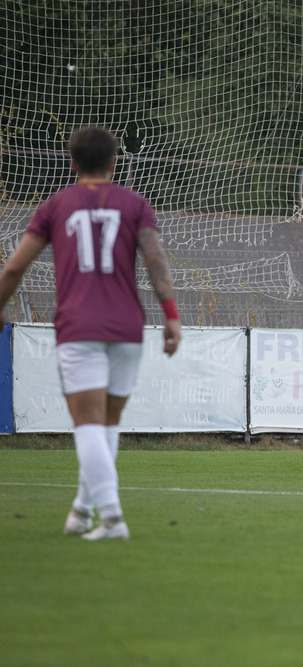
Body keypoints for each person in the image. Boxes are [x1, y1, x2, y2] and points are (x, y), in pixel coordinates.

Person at [0, 126, 181, 540]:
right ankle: (82, 511)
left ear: (73, 163)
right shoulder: (134, 203)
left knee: (87, 428)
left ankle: (113, 519)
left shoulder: (55, 205)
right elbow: (156, 261)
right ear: (114, 163)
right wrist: (171, 316)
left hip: (79, 327)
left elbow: (13, 267)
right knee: (107, 428)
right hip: (126, 327)